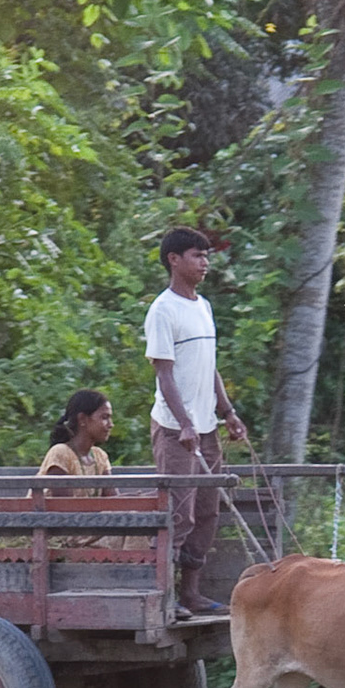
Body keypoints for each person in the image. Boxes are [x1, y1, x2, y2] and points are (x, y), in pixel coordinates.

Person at [145, 226, 248, 617]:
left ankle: (191, 592)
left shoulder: (202, 306)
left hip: (206, 427)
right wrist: (185, 423)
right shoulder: (163, 310)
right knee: (178, 513)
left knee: (207, 510)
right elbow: (164, 372)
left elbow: (210, 367)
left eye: (207, 256)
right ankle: (164, 597)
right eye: (197, 256)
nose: (205, 263)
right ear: (174, 260)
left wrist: (228, 412)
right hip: (175, 429)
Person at [38, 389, 114, 493]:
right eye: (104, 417)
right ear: (82, 419)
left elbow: (114, 500)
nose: (110, 424)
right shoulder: (61, 453)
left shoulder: (100, 456)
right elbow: (64, 506)